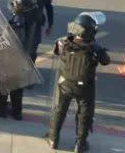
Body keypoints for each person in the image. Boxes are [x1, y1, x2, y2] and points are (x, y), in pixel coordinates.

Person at [47, 13, 110, 153]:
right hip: (85, 87)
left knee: (59, 110)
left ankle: (53, 138)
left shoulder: (63, 42)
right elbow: (106, 61)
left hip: (65, 83)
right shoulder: (94, 47)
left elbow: (56, 52)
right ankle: (80, 144)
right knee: (84, 114)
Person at [0, 0, 42, 120]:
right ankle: (16, 112)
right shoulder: (31, 17)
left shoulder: (19, 21)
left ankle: (1, 109)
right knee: (17, 87)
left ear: (21, 5)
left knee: (2, 83)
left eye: (16, 2)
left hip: (11, 58)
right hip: (22, 58)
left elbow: (10, 40)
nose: (13, 4)